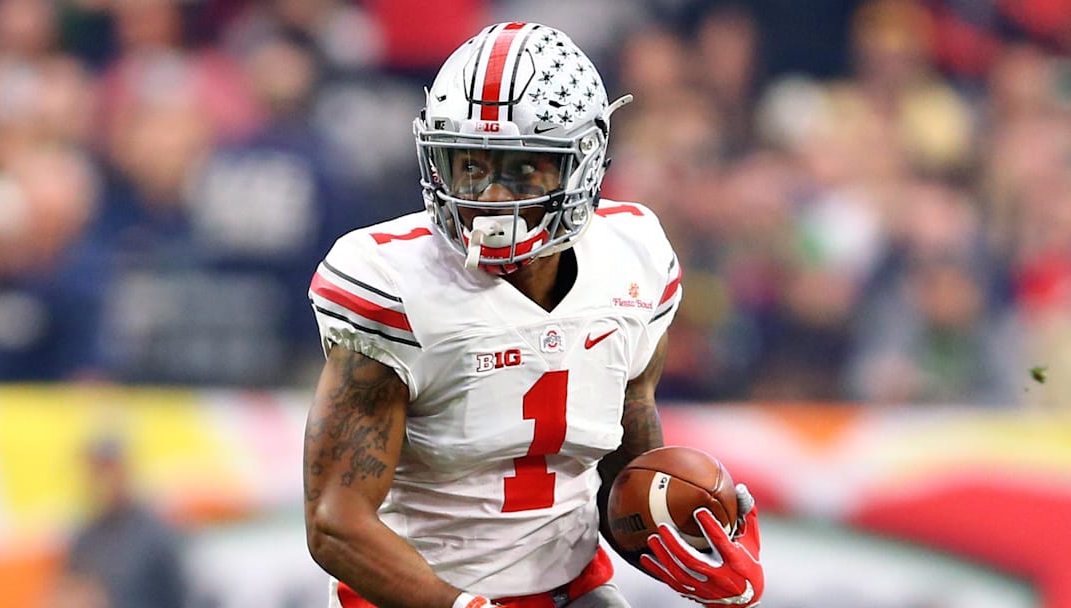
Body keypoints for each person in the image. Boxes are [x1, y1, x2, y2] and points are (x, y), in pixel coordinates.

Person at [303, 22, 764, 608]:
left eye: (522, 168)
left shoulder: (633, 258)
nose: (490, 197)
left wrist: (690, 538)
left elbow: (623, 481)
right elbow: (335, 521)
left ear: (584, 164)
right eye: (470, 165)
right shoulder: (393, 283)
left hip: (573, 590)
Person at [52, 434, 187, 608]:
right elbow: (68, 590)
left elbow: (181, 597)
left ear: (125, 470)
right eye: (95, 471)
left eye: (108, 469)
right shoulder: (84, 540)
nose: (102, 480)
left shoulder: (156, 534)